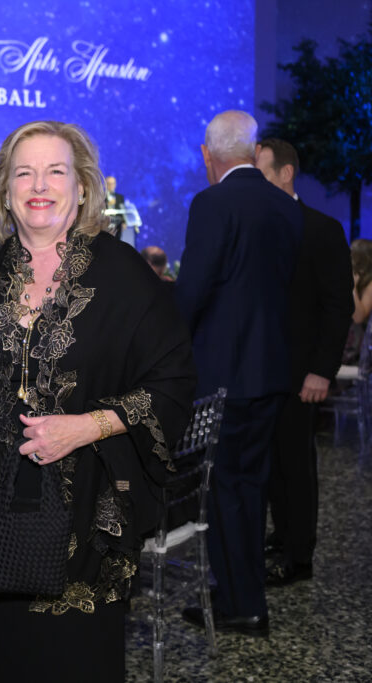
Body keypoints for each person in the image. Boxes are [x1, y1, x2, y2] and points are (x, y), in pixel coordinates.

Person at [0, 120, 195, 681]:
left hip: (90, 525)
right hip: (2, 523)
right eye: (24, 172)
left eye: (56, 172)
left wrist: (88, 425)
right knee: (13, 661)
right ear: (5, 189)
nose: (39, 185)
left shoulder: (121, 273)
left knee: (80, 662)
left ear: (82, 188)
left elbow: (175, 380)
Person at [176, 110, 302, 636]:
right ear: (252, 154)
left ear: (209, 156)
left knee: (224, 488)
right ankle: (239, 591)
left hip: (224, 375)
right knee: (251, 487)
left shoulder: (212, 203)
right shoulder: (286, 207)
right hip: (273, 371)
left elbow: (194, 292)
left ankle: (241, 605)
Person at [255, 138, 354, 585]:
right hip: (258, 372)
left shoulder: (322, 229)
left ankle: (300, 558)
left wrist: (322, 370)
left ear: (285, 173)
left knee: (296, 463)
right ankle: (284, 533)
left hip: (301, 373)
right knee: (270, 462)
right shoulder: (254, 227)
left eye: (261, 172)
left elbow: (338, 308)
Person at [343, 238, 372, 364]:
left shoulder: (369, 285)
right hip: (346, 346)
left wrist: (352, 288)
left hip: (359, 350)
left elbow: (359, 317)